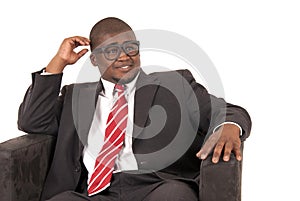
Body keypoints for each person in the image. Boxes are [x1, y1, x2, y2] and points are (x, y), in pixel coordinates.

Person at [18, 17, 251, 201]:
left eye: (131, 47)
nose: (124, 56)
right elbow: (32, 120)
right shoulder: (74, 96)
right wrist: (58, 62)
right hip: (90, 191)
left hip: (154, 186)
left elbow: (228, 111)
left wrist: (228, 126)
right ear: (93, 60)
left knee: (173, 196)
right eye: (111, 51)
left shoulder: (174, 85)